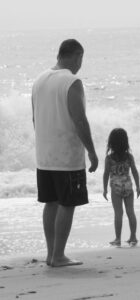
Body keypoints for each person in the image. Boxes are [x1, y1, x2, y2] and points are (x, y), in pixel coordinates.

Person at [32, 39, 98, 267]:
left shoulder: (39, 79)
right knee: (67, 203)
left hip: (44, 155)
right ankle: (59, 256)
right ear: (77, 56)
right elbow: (79, 120)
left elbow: (35, 118)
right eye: (81, 59)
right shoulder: (72, 81)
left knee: (50, 203)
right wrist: (91, 151)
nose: (81, 64)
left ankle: (51, 254)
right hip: (67, 156)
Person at [103, 128, 140, 247]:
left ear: (111, 143)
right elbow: (134, 171)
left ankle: (118, 238)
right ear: (126, 142)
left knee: (118, 213)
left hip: (116, 187)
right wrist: (138, 186)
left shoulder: (109, 158)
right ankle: (133, 237)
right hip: (128, 186)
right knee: (131, 212)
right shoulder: (129, 157)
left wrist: (104, 189)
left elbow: (105, 173)